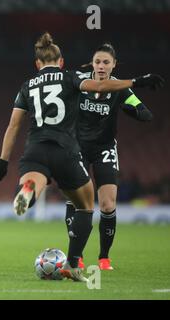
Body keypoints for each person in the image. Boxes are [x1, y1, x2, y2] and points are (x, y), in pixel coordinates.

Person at [0, 33, 163, 282]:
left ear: (37, 64)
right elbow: (101, 86)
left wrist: (2, 163)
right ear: (61, 62)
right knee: (85, 205)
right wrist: (136, 81)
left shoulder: (27, 86)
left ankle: (29, 190)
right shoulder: (72, 77)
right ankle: (72, 263)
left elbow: (13, 126)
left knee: (35, 183)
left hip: (36, 148)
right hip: (68, 150)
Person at [66, 44, 155, 271]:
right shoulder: (79, 80)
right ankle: (77, 255)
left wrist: (135, 111)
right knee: (78, 203)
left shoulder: (120, 88)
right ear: (92, 64)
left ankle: (104, 257)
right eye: (98, 62)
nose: (101, 66)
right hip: (78, 148)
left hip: (104, 148)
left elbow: (145, 113)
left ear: (114, 64)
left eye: (106, 62)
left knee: (107, 205)